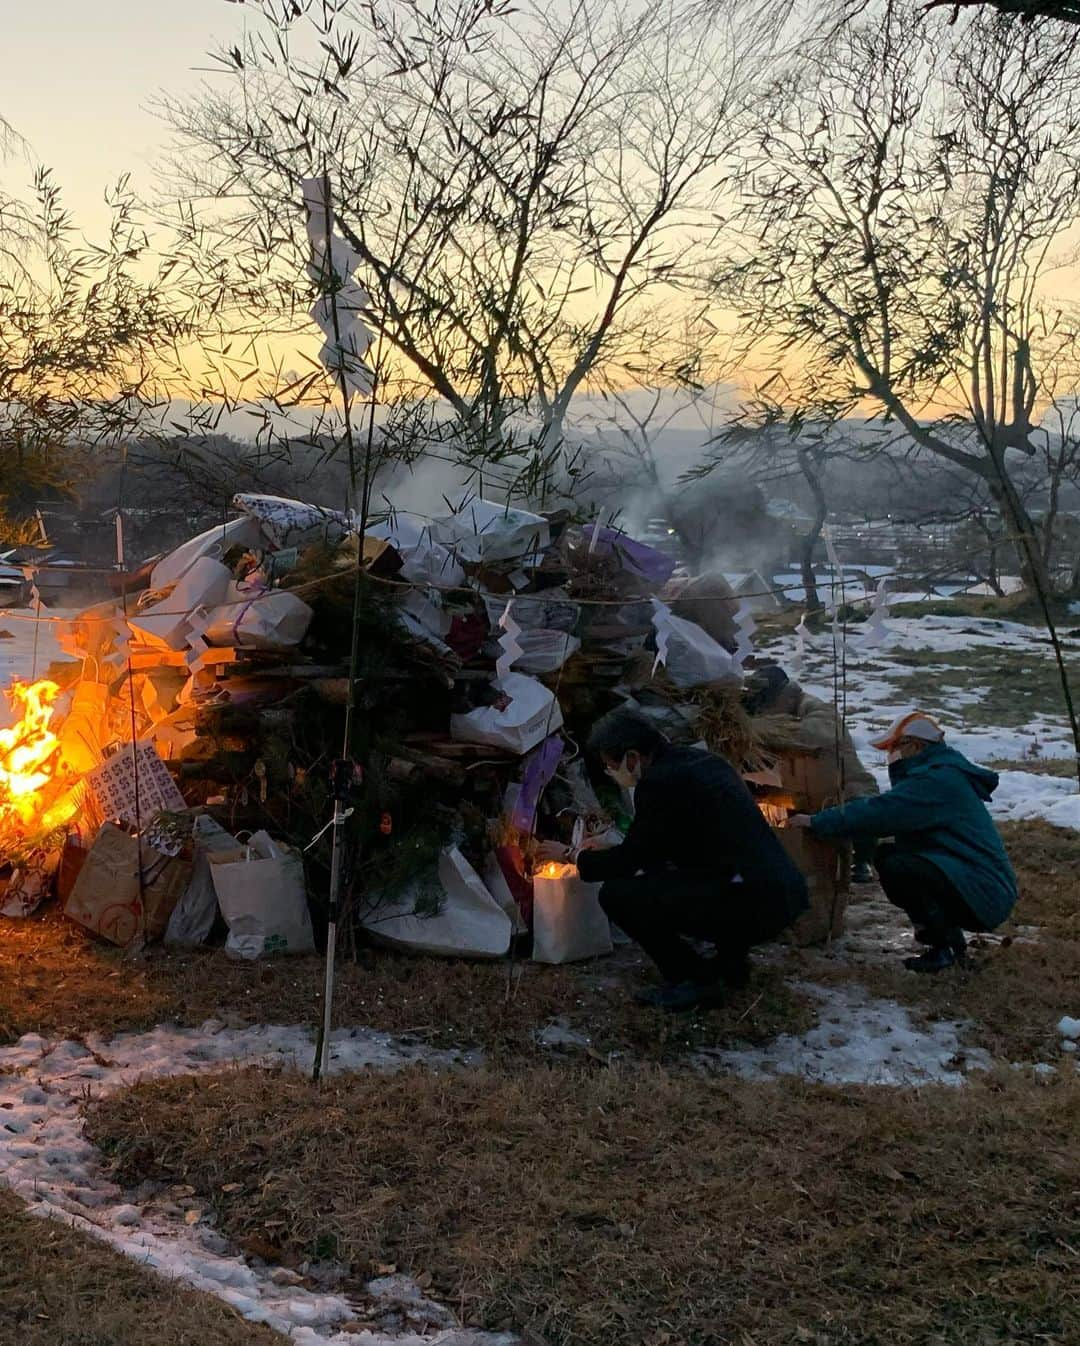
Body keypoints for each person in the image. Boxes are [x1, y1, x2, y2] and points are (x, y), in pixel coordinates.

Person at [541, 709, 809, 1012]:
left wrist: (573, 855)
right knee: (704, 878)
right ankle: (730, 966)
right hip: (781, 891)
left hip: (750, 899)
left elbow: (630, 863)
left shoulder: (659, 783)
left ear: (633, 756)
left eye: (611, 765)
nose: (610, 772)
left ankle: (693, 979)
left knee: (619, 895)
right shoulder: (703, 763)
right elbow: (679, 841)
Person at [789, 711, 1018, 973]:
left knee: (899, 867)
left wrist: (817, 822)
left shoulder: (935, 781)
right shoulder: (939, 774)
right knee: (893, 856)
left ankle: (944, 949)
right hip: (978, 883)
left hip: (986, 892)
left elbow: (879, 812)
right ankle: (949, 943)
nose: (891, 755)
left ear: (917, 746)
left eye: (895, 747)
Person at [743, 663, 880, 883]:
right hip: (806, 790)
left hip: (846, 786)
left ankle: (861, 860)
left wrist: (757, 728)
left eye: (767, 705)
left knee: (859, 812)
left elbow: (812, 735)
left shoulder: (818, 710)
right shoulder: (787, 711)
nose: (765, 711)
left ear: (785, 697)